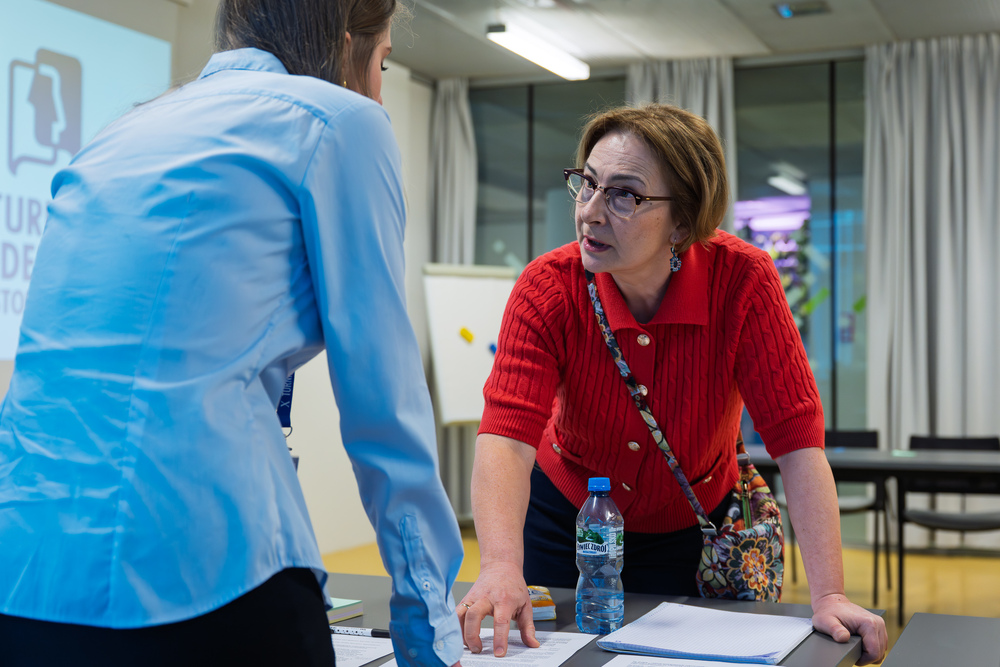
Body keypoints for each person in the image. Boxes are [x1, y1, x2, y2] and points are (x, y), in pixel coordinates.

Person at [0, 1, 464, 666]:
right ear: (344, 41)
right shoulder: (341, 121)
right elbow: (384, 407)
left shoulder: (116, 133)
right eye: (384, 60)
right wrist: (430, 633)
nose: (381, 83)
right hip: (200, 573)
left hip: (24, 572)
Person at [457, 104, 888, 665]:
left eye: (624, 195)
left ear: (683, 222)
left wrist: (829, 593)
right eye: (587, 184)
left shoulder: (744, 282)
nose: (589, 211)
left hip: (689, 532)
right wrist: (498, 567)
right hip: (566, 522)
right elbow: (508, 438)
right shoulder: (548, 287)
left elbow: (798, 446)